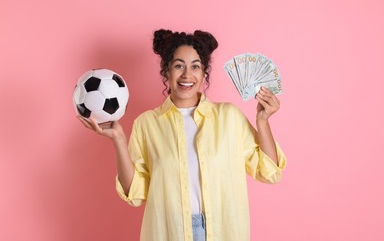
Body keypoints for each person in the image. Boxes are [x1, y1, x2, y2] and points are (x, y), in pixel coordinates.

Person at [78, 29, 286, 241]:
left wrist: (262, 121)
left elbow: (269, 171)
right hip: (171, 231)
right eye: (179, 65)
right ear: (166, 71)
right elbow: (135, 194)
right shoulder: (147, 124)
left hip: (224, 229)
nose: (187, 75)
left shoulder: (229, 117)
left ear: (204, 72)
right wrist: (119, 140)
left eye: (195, 66)